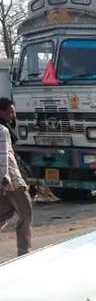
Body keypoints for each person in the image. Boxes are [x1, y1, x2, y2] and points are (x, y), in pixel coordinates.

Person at [0, 96, 32, 256]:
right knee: (26, 212)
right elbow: (4, 155)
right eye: (11, 112)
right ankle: (24, 252)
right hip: (11, 180)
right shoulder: (2, 130)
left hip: (6, 180)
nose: (13, 116)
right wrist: (5, 177)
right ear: (2, 111)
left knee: (5, 213)